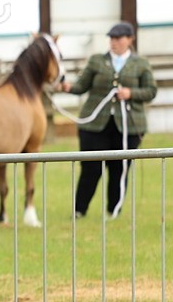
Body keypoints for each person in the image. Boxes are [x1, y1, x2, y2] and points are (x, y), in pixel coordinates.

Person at [58, 22, 157, 218]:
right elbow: (81, 85)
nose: (114, 42)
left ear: (130, 39)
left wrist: (131, 93)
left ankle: (114, 210)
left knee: (119, 168)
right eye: (112, 38)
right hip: (95, 125)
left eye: (118, 38)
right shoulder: (96, 61)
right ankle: (80, 209)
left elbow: (151, 91)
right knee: (91, 167)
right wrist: (67, 87)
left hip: (127, 126)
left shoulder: (141, 64)